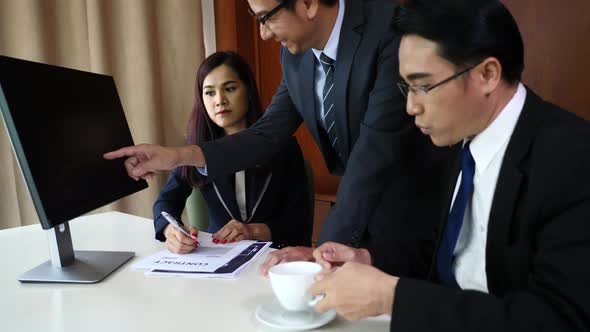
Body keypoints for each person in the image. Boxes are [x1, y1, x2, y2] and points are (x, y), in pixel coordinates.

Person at [105, 0, 446, 278]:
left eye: (267, 18)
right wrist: (176, 156)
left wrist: (321, 252)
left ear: (309, 4)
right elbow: (266, 135)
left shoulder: (388, 31)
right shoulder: (295, 57)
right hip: (361, 221)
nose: (263, 33)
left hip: (416, 218)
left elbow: (373, 155)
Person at [309, 0, 590, 330]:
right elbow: (443, 251)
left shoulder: (573, 159)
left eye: (423, 86)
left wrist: (394, 298)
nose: (411, 107)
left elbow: (561, 319)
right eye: (406, 88)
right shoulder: (454, 139)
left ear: (487, 74)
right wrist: (371, 261)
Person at [152, 51, 311, 254]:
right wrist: (170, 230)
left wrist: (253, 231)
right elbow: (165, 202)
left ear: (248, 91)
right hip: (218, 255)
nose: (220, 100)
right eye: (209, 92)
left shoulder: (284, 146)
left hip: (273, 255)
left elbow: (299, 224)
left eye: (230, 88)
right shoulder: (197, 148)